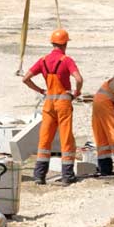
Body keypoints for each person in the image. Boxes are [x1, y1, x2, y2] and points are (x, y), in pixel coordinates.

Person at [23, 28, 84, 185]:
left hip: (48, 103)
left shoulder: (43, 60)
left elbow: (25, 78)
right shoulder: (66, 60)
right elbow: (78, 78)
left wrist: (41, 90)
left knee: (45, 139)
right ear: (64, 44)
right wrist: (76, 92)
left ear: (53, 43)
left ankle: (39, 175)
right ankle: (67, 176)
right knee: (66, 138)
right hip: (63, 103)